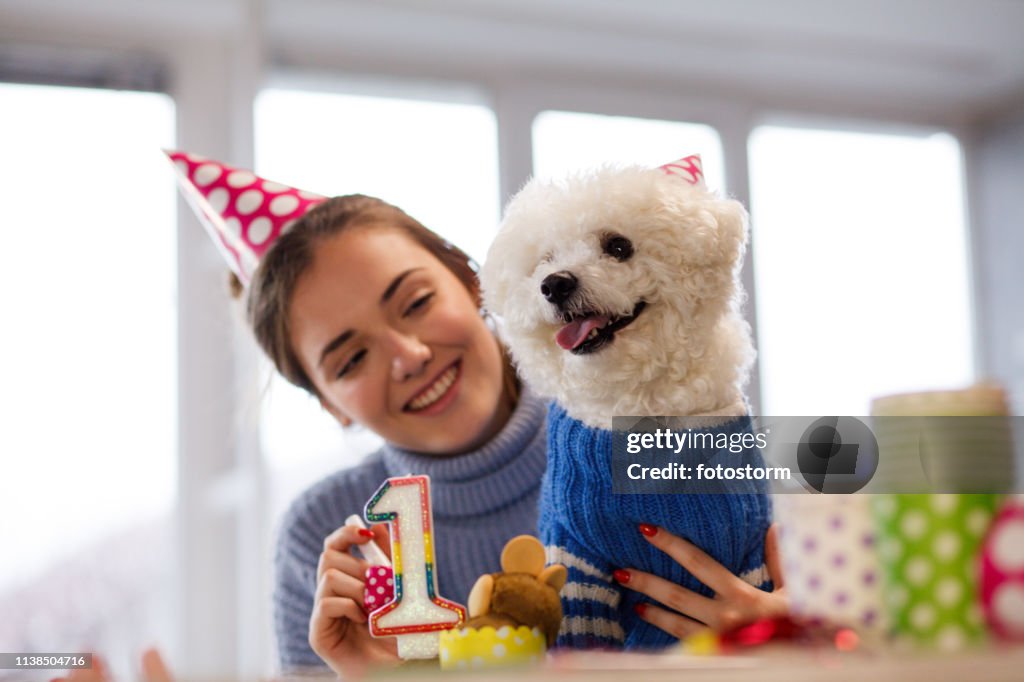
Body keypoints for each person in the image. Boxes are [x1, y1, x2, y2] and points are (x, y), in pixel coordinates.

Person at [166, 151, 787, 679]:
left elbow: (859, 510)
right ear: (330, 403)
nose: (408, 356)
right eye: (352, 358)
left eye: (415, 302)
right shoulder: (329, 540)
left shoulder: (664, 419)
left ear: (473, 283)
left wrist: (805, 630)